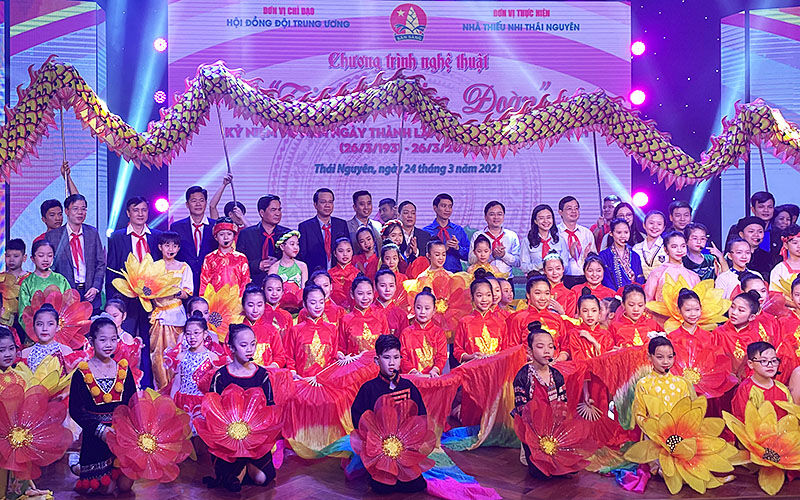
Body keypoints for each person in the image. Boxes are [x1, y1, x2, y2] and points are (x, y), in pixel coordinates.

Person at [350, 335, 427, 494]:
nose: (392, 362)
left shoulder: (409, 387)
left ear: (400, 359)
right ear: (377, 360)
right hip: (379, 451)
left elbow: (421, 416)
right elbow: (359, 418)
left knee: (418, 486)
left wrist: (411, 443)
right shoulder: (368, 389)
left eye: (396, 357)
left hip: (405, 448)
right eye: (386, 358)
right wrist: (374, 443)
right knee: (382, 489)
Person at [205, 323, 276, 492]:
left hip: (255, 437)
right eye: (243, 345)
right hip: (228, 438)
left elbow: (270, 407)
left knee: (262, 479)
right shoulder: (221, 376)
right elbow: (212, 409)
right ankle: (238, 470)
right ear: (231, 347)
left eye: (253, 344)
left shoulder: (262, 374)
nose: (249, 349)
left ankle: (246, 467)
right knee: (231, 482)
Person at [70, 317, 136, 494]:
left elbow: (133, 403)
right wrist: (100, 430)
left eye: (113, 339)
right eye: (103, 339)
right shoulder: (81, 373)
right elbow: (75, 410)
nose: (109, 344)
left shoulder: (124, 370)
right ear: (91, 341)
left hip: (120, 435)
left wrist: (128, 430)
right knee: (105, 489)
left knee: (125, 486)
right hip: (95, 437)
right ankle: (78, 467)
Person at [106, 196, 162, 386]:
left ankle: (146, 384)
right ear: (128, 213)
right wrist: (114, 302)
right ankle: (124, 382)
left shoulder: (157, 236)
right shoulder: (117, 237)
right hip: (125, 299)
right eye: (136, 210)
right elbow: (111, 269)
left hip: (151, 300)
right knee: (126, 341)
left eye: (144, 210)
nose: (140, 214)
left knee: (148, 341)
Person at [511, 322, 568, 480]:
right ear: (529, 351)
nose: (547, 351)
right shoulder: (523, 376)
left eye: (550, 346)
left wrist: (557, 426)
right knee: (539, 473)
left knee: (567, 468)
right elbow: (521, 408)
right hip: (531, 429)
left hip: (553, 428)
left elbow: (563, 402)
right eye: (541, 347)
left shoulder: (556, 375)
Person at [45, 193, 105, 311]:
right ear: (66, 211)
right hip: (65, 295)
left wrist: (95, 287)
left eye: (83, 209)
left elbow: (100, 263)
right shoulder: (53, 236)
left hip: (90, 293)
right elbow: (50, 268)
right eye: (75, 209)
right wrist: (61, 291)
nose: (80, 212)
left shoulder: (92, 233)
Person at [150, 232, 193, 389]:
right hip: (158, 315)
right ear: (160, 247)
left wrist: (173, 292)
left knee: (176, 352)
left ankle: (177, 390)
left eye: (174, 246)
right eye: (167, 245)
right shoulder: (153, 267)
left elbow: (187, 292)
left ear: (179, 248)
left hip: (176, 316)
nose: (171, 249)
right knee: (157, 355)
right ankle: (161, 390)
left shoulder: (183, 267)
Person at [633, 336, 694, 427]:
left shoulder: (681, 383)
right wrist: (653, 430)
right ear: (649, 357)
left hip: (678, 432)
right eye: (660, 357)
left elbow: (687, 412)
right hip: (653, 433)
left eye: (670, 357)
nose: (666, 362)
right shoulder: (643, 384)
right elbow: (639, 415)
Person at [284, 284, 338, 380]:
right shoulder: (295, 330)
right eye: (313, 303)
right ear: (304, 304)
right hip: (302, 381)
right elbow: (289, 358)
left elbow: (334, 357)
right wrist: (293, 373)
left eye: (321, 302)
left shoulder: (332, 329)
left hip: (327, 382)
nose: (318, 306)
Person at [170, 312, 219, 416]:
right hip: (183, 402)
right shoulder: (180, 357)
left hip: (202, 404)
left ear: (205, 334)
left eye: (196, 333)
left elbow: (215, 386)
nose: (192, 337)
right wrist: (170, 406)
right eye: (188, 334)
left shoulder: (212, 357)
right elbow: (176, 383)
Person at [171, 186, 217, 295]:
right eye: (194, 201)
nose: (198, 204)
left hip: (210, 281)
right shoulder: (176, 227)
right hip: (184, 282)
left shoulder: (215, 226)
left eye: (201, 200)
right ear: (187, 204)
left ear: (206, 203)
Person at [507, 276, 568, 359]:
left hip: (555, 364)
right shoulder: (518, 318)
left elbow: (565, 347)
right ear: (528, 295)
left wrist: (559, 360)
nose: (543, 298)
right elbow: (512, 348)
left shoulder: (557, 318)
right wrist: (531, 359)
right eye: (538, 293)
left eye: (547, 293)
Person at [236, 194, 290, 288]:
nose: (278, 213)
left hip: (281, 285)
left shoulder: (287, 234)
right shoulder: (247, 234)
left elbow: (297, 260)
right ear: (262, 213)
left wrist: (279, 263)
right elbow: (238, 262)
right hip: (253, 285)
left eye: (279, 210)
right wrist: (258, 265)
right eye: (273, 210)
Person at [454, 274, 509, 363]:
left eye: (488, 295)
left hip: (495, 368)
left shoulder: (500, 323)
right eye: (479, 296)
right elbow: (457, 350)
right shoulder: (465, 322)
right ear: (472, 297)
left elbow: (506, 350)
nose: (484, 299)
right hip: (472, 368)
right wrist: (471, 356)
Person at [731, 341, 790, 420]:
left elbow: (791, 415)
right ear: (750, 364)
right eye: (764, 361)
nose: (770, 365)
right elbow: (741, 418)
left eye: (774, 361)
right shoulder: (745, 389)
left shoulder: (782, 389)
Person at [713, 290, 768, 373]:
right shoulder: (719, 333)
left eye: (741, 310)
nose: (734, 313)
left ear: (752, 317)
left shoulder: (757, 335)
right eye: (732, 307)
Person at [18, 240, 71, 324]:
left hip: (59, 327)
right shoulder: (27, 283)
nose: (45, 259)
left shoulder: (61, 280)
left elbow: (70, 307)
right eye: (41, 255)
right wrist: (37, 329)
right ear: (33, 258)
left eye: (49, 256)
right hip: (35, 329)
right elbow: (23, 315)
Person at [298, 188, 349, 273]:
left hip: (340, 274)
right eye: (323, 202)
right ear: (315, 204)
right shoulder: (305, 227)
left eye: (330, 202)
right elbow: (302, 255)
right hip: (314, 274)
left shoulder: (341, 224)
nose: (327, 205)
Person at [399, 287, 446, 376]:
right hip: (412, 378)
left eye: (427, 308)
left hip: (432, 378)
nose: (422, 312)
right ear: (414, 308)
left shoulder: (438, 333)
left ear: (434, 310)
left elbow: (442, 357)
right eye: (418, 308)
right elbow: (402, 357)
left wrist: (435, 370)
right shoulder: (406, 333)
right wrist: (413, 372)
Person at [337, 276, 389, 356]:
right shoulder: (345, 320)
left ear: (373, 293)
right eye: (360, 294)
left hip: (377, 363)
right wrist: (340, 355)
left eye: (369, 293)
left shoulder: (380, 317)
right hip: (354, 363)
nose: (365, 298)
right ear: (352, 294)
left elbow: (387, 345)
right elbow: (341, 348)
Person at [200, 217, 250, 295]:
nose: (226, 237)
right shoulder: (209, 258)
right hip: (214, 300)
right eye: (221, 234)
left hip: (236, 299)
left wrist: (242, 299)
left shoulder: (241, 258)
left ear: (234, 236)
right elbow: (204, 283)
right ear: (216, 237)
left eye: (229, 234)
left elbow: (245, 282)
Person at [644, 231, 699, 302]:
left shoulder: (693, 276)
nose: (679, 250)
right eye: (674, 247)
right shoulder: (657, 273)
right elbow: (647, 300)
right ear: (665, 249)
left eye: (683, 246)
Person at [469, 201, 521, 276]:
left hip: (507, 279)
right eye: (492, 214)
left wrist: (504, 255)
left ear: (503, 216)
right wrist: (492, 255)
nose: (496, 217)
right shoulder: (477, 235)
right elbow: (471, 260)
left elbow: (518, 262)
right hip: (483, 279)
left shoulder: (512, 236)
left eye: (499, 214)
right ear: (485, 217)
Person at [241, 286, 286, 368]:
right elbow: (227, 356)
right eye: (250, 305)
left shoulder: (272, 330)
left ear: (264, 306)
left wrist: (268, 368)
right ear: (243, 306)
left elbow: (280, 357)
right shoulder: (235, 331)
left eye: (259, 305)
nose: (255, 310)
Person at [422, 193, 468, 273]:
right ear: (435, 208)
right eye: (444, 206)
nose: (447, 210)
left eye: (450, 206)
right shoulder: (426, 232)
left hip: (455, 274)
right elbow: (422, 257)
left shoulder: (458, 230)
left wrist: (457, 248)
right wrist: (443, 249)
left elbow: (469, 256)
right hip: (432, 274)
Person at [20, 304, 73, 373]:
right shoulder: (25, 353)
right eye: (40, 324)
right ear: (33, 327)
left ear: (57, 327)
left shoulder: (66, 351)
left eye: (50, 324)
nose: (44, 329)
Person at [557, 196, 596, 287]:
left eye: (576, 208)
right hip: (562, 278)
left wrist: (589, 257)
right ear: (560, 212)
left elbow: (595, 257)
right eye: (569, 209)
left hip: (585, 278)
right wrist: (570, 255)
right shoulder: (555, 233)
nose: (574, 211)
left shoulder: (586, 233)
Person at [521, 204, 569, 275]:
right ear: (535, 221)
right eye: (541, 218)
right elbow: (524, 267)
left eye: (548, 217)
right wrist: (540, 266)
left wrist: (554, 267)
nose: (546, 221)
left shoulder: (560, 241)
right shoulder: (527, 241)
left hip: (556, 278)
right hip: (536, 278)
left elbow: (565, 265)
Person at [598, 219, 645, 291]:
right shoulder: (604, 255)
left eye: (626, 232)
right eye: (619, 232)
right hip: (612, 294)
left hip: (633, 294)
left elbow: (640, 279)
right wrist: (617, 294)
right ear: (611, 233)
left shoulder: (635, 256)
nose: (623, 236)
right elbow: (606, 280)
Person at [104, 298, 143, 385]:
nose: (111, 319)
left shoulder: (127, 338)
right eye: (108, 316)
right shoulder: (100, 336)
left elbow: (133, 365)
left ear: (124, 316)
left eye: (115, 316)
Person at [568, 291, 612, 361]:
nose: (590, 315)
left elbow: (609, 361)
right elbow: (579, 361)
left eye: (594, 311)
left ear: (599, 313)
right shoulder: (574, 334)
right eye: (585, 311)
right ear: (579, 313)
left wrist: (594, 341)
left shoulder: (606, 335)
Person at [372, 269, 408, 336]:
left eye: (391, 286)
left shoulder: (401, 315)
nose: (387, 289)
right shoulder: (369, 312)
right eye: (383, 285)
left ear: (395, 287)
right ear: (375, 286)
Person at [633, 210, 667, 280]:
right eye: (651, 223)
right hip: (640, 285)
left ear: (663, 228)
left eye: (659, 224)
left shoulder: (668, 247)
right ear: (644, 225)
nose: (655, 227)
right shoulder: (636, 248)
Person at [347, 190, 383, 255]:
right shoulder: (347, 226)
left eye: (369, 203)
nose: (366, 207)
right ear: (355, 207)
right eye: (362, 204)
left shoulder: (377, 225)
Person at [542, 252, 577, 317]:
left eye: (558, 269)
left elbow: (571, 320)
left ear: (563, 269)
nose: (554, 273)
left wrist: (561, 312)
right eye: (550, 269)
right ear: (544, 271)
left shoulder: (570, 295)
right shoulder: (539, 291)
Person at [397, 200, 431, 265]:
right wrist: (406, 254)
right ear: (398, 215)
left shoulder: (425, 236)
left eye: (413, 213)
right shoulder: (393, 235)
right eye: (406, 213)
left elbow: (428, 259)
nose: (410, 216)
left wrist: (416, 252)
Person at [328, 238, 359, 307]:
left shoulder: (358, 274)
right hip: (333, 309)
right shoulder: (329, 275)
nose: (345, 254)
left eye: (348, 251)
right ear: (335, 253)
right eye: (341, 251)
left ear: (352, 252)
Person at [261, 274, 294, 338]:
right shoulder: (258, 313)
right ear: (263, 290)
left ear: (282, 292)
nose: (274, 293)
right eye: (270, 290)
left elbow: (289, 340)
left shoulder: (287, 316)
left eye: (278, 290)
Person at [770, 224, 800, 292]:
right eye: (795, 243)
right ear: (786, 245)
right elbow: (775, 293)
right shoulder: (779, 269)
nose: (799, 246)